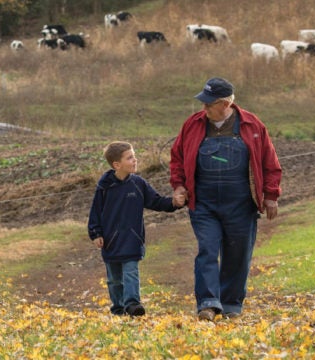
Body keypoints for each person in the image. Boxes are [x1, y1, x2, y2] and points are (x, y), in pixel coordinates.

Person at [169, 77, 282, 321]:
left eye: (209, 104)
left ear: (224, 104)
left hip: (241, 203)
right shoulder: (193, 124)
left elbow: (270, 163)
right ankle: (208, 304)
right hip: (203, 202)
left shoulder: (253, 125)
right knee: (207, 249)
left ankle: (230, 305)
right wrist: (179, 186)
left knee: (237, 253)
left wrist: (271, 195)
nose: (204, 108)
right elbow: (177, 157)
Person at [88, 141, 179, 316]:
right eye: (130, 158)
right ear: (117, 164)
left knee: (130, 273)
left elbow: (157, 201)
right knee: (114, 280)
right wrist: (95, 233)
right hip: (110, 241)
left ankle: (132, 304)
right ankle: (119, 308)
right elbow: (95, 211)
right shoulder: (105, 186)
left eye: (134, 156)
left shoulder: (138, 183)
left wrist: (175, 203)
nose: (135, 160)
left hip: (132, 239)